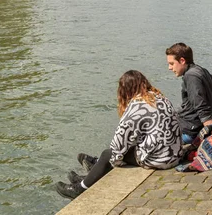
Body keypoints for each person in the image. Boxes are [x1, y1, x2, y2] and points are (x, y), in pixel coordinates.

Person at [55, 71, 182, 199]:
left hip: (160, 160)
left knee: (107, 154)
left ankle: (80, 188)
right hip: (174, 154)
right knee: (122, 151)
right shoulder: (158, 97)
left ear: (124, 90)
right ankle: (91, 174)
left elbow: (116, 149)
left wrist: (111, 161)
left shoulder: (136, 107)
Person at [166, 42, 212, 144]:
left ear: (182, 60)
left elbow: (201, 106)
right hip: (192, 125)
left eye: (172, 63)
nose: (170, 68)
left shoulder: (191, 77)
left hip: (190, 132)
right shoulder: (201, 70)